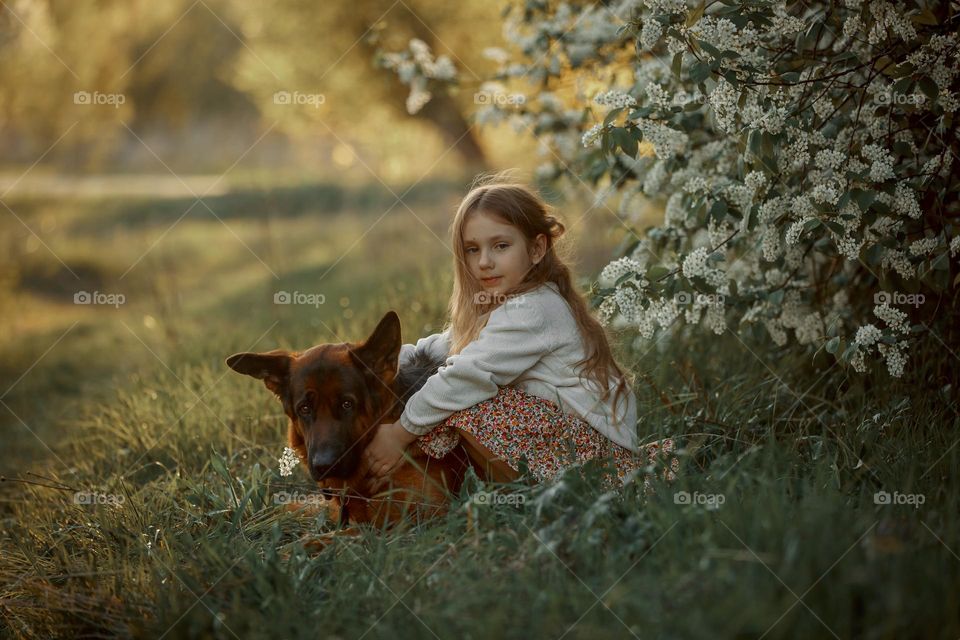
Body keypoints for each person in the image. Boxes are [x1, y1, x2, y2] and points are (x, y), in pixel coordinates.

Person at [359, 172, 677, 489]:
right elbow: (441, 348)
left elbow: (467, 374)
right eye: (472, 249)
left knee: (464, 402)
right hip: (569, 445)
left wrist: (400, 433)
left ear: (537, 249)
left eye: (500, 246)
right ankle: (413, 482)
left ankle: (534, 495)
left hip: (595, 460)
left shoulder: (534, 309)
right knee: (452, 395)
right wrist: (364, 364)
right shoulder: (503, 306)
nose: (484, 261)